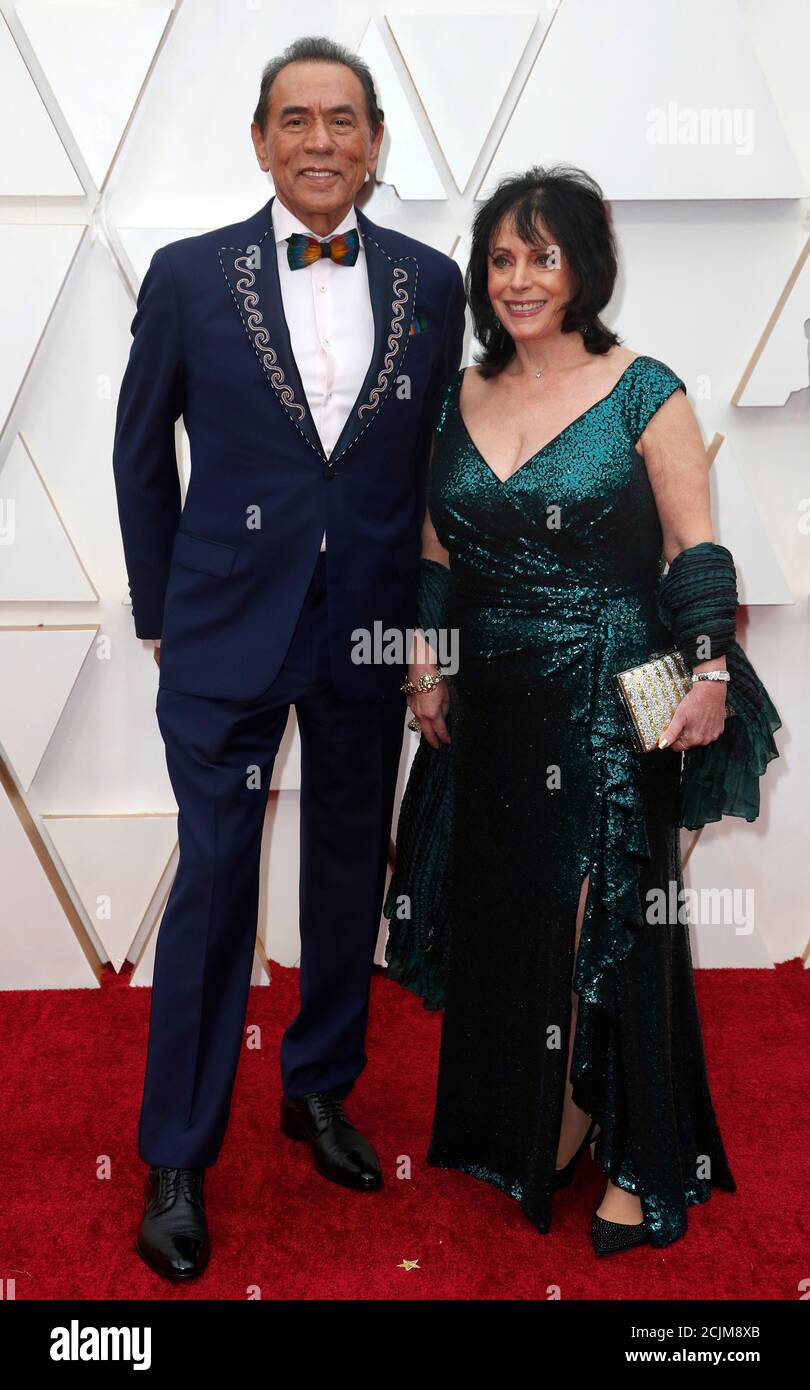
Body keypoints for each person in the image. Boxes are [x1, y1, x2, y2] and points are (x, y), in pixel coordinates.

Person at [112, 35, 466, 1281]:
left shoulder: (433, 282)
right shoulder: (189, 276)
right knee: (214, 883)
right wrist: (165, 609)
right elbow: (140, 449)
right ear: (260, 141)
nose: (322, 140)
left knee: (343, 875)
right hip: (222, 626)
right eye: (297, 119)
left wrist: (431, 637)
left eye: (346, 121)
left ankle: (316, 1088)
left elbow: (438, 475)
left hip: (367, 626)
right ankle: (175, 1155)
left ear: (376, 145)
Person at [385, 165, 781, 1255]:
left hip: (615, 692)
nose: (520, 279)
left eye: (542, 256)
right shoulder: (458, 395)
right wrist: (426, 668)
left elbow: (693, 544)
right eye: (502, 259)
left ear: (584, 268)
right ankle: (533, 1128)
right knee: (509, 928)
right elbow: (433, 556)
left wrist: (706, 671)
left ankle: (635, 1147)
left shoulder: (644, 386)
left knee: (599, 922)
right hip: (493, 704)